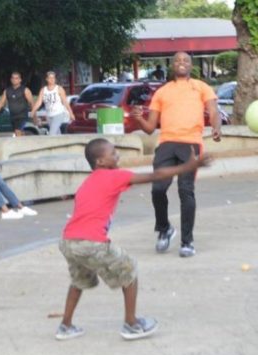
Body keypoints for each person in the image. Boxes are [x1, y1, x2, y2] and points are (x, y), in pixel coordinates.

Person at [55, 138, 211, 341]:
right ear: (100, 162)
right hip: (91, 242)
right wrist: (188, 166)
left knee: (78, 281)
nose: (117, 155)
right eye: (112, 153)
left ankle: (65, 326)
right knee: (129, 269)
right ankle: (132, 324)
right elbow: (155, 175)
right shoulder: (114, 176)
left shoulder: (89, 181)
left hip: (68, 241)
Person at [132, 52, 222, 258]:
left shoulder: (201, 87)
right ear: (172, 66)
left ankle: (187, 242)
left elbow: (214, 111)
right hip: (166, 144)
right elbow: (149, 128)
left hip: (191, 144)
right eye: (177, 61)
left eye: (185, 60)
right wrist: (139, 119)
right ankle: (164, 229)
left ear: (191, 66)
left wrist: (216, 127)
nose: (181, 63)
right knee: (158, 189)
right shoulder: (162, 92)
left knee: (186, 191)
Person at [31, 71, 75, 135]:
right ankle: (62, 143)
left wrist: (71, 113)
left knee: (52, 133)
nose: (52, 80)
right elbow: (39, 102)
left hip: (58, 113)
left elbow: (65, 102)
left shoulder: (59, 89)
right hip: (49, 115)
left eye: (53, 78)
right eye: (50, 78)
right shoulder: (43, 90)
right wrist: (33, 111)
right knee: (57, 133)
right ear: (47, 79)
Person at [0, 72, 34, 137]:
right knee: (19, 133)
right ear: (11, 79)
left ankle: (19, 146)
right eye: (13, 78)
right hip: (13, 116)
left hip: (22, 116)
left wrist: (34, 115)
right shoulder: (7, 91)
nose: (14, 80)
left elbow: (32, 103)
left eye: (16, 78)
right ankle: (24, 144)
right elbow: (1, 103)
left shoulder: (25, 90)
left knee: (18, 132)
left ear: (20, 80)